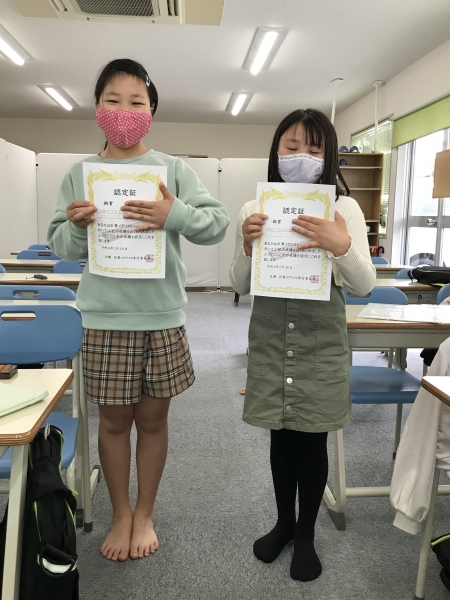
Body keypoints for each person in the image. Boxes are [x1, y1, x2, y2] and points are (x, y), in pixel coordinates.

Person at [48, 58, 230, 562]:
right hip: (106, 317)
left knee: (152, 420)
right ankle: (121, 513)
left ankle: (145, 511)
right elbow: (61, 245)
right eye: (113, 100)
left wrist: (176, 214)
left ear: (151, 110)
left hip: (161, 315)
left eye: (137, 102)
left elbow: (216, 225)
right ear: (96, 107)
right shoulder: (80, 174)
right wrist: (76, 226)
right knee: (112, 423)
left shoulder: (173, 170)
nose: (124, 111)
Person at [229, 109, 375, 581]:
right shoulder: (254, 208)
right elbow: (238, 284)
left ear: (329, 156)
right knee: (280, 436)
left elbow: (364, 284)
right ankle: (284, 524)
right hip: (272, 338)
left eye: (314, 149)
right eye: (291, 147)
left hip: (319, 342)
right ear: (276, 151)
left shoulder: (345, 209)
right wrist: (247, 248)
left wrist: (340, 244)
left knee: (312, 439)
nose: (302, 156)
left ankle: (307, 534)